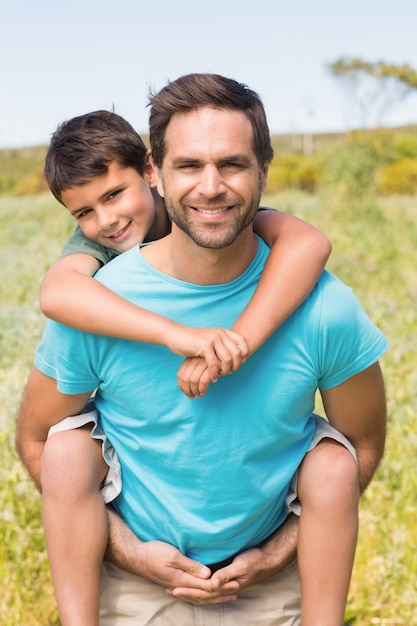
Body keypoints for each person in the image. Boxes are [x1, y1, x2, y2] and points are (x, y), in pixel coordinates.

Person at [15, 73, 388, 626]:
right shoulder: (96, 300)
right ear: (157, 171)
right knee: (69, 447)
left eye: (232, 164)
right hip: (132, 586)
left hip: (273, 589)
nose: (210, 187)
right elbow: (36, 437)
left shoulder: (320, 303)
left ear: (264, 169)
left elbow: (362, 446)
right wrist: (131, 552)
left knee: (333, 461)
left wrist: (276, 554)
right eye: (188, 165)